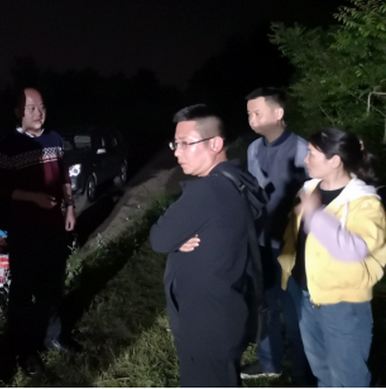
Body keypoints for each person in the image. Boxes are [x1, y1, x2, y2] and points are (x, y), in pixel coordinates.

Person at [149, 104, 265, 386]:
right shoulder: (238, 178)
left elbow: (159, 238)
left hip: (205, 321)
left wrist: (176, 240)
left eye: (186, 143)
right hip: (229, 308)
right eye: (175, 144)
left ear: (215, 144)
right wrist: (181, 239)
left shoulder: (207, 191)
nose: (177, 152)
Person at [278, 128, 386, 387]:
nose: (305, 160)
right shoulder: (309, 189)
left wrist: (315, 214)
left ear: (335, 160)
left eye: (312, 154)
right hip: (306, 296)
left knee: (348, 377)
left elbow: (353, 250)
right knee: (322, 370)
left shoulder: (365, 203)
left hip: (343, 304)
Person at [0, 88, 79, 375]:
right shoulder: (8, 146)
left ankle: (53, 336)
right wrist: (34, 198)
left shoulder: (55, 140)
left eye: (41, 107)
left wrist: (69, 207)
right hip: (24, 230)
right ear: (18, 112)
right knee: (23, 291)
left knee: (52, 285)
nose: (39, 113)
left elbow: (64, 177)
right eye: (31, 108)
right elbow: (2, 190)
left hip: (52, 226)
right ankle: (24, 350)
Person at [242, 87, 311, 383]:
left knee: (296, 311)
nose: (251, 120)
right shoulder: (253, 149)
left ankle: (303, 371)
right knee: (265, 304)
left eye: (257, 113)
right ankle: (270, 361)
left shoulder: (303, 151)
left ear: (278, 113)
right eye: (249, 114)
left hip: (292, 245)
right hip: (260, 240)